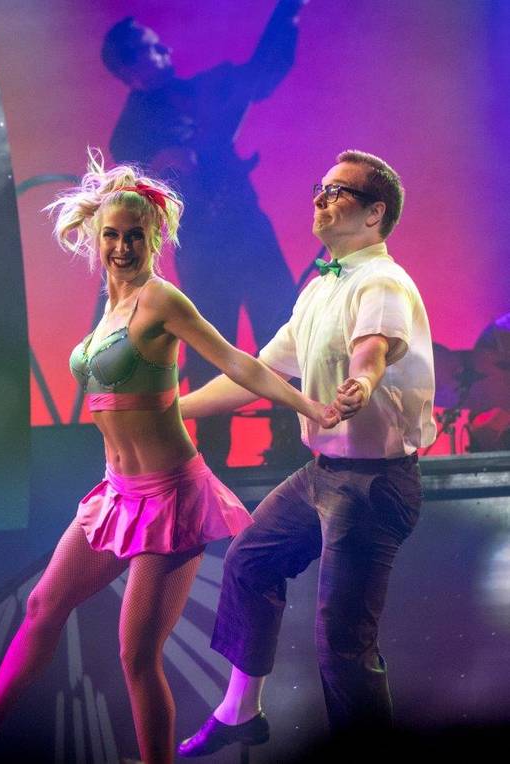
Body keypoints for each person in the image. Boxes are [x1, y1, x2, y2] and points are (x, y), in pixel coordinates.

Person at [0, 151, 337, 763]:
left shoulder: (161, 300)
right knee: (42, 605)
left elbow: (238, 363)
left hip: (171, 499)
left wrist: (308, 405)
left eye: (134, 236)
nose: (121, 247)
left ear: (153, 238)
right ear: (97, 237)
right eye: (111, 235)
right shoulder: (110, 311)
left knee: (136, 656)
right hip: (117, 494)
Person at [177, 150, 436, 756]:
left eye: (338, 191)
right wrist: (172, 410)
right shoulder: (321, 287)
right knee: (249, 562)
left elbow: (373, 351)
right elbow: (258, 374)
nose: (321, 197)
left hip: (375, 486)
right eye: (321, 186)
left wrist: (362, 383)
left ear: (374, 214)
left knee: (342, 641)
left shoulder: (380, 280)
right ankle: (240, 711)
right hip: (323, 474)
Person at [102, 0, 308, 467]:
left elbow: (261, 74)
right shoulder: (130, 133)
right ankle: (212, 456)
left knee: (280, 328)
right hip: (203, 245)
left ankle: (289, 442)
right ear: (130, 69)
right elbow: (149, 177)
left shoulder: (202, 89)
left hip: (248, 229)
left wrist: (289, 12)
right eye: (150, 47)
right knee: (211, 342)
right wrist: (166, 162)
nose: (164, 49)